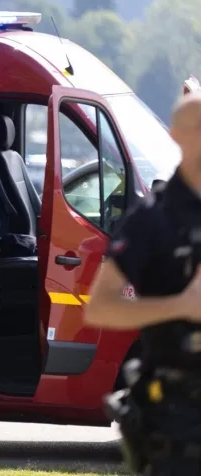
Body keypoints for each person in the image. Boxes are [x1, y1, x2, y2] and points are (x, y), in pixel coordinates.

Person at [85, 94, 201, 475]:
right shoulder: (154, 219)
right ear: (178, 136)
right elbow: (100, 306)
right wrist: (181, 306)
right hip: (180, 415)